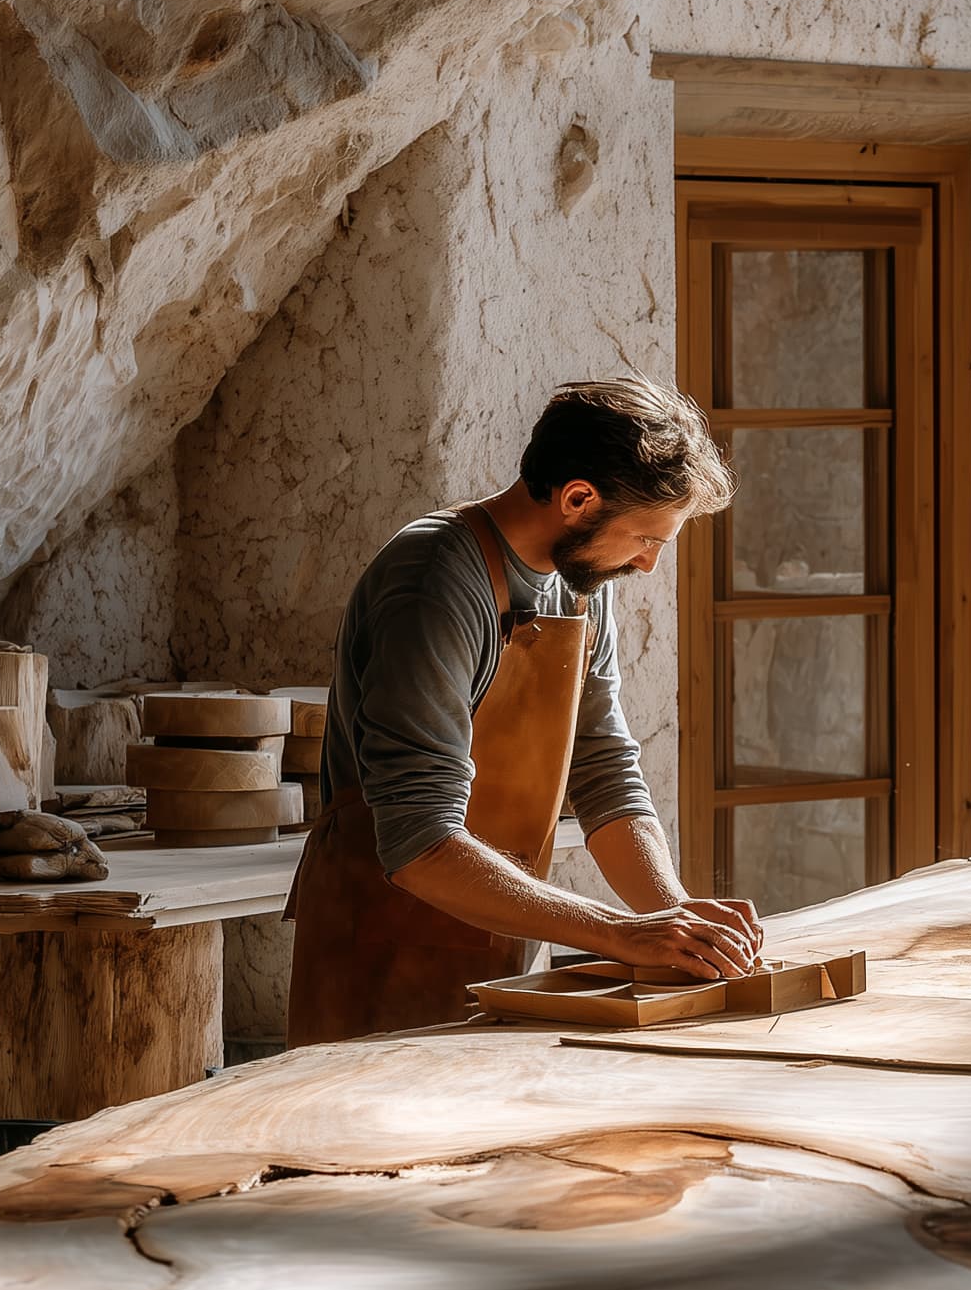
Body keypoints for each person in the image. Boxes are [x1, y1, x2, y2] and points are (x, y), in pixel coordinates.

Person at [285, 376, 759, 1045]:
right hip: (382, 944)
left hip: (501, 935)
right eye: (646, 538)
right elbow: (419, 842)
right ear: (577, 498)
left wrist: (678, 921)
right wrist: (623, 933)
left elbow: (603, 772)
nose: (648, 564)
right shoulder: (434, 583)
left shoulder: (580, 579)